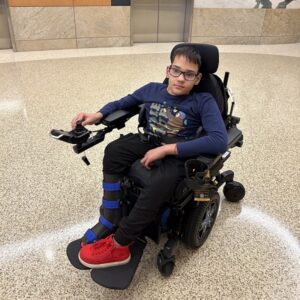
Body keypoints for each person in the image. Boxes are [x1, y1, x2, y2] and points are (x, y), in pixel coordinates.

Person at [71, 46, 227, 269]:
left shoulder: (203, 100)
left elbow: (218, 140)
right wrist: (97, 114)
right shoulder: (152, 89)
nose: (181, 78)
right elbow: (123, 102)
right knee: (114, 152)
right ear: (168, 70)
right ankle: (110, 217)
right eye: (176, 70)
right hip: (149, 140)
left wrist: (167, 150)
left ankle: (120, 243)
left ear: (198, 78)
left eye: (189, 74)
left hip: (178, 154)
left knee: (158, 182)